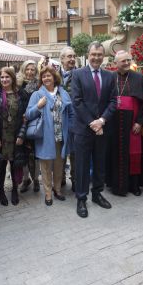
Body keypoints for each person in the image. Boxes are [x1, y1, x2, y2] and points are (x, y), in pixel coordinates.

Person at [70, 41, 117, 218]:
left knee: (100, 164)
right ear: (88, 56)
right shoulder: (77, 75)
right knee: (82, 165)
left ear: (103, 56)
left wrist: (102, 120)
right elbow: (77, 101)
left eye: (99, 54)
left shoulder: (110, 76)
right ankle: (81, 199)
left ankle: (97, 194)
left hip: (103, 129)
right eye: (93, 54)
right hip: (84, 129)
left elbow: (114, 101)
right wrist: (93, 122)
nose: (96, 57)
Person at [25, 65, 73, 205]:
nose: (46, 78)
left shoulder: (63, 93)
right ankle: (47, 193)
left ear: (54, 77)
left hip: (61, 136)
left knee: (59, 165)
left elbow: (70, 113)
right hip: (45, 136)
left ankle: (57, 190)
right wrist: (38, 106)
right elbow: (28, 114)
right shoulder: (37, 94)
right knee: (45, 167)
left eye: (49, 75)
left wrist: (70, 129)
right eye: (43, 76)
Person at [105, 51, 143, 197]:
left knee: (133, 154)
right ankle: (115, 184)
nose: (127, 63)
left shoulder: (139, 78)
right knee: (114, 154)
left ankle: (134, 186)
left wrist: (140, 122)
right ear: (116, 63)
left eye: (129, 60)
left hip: (132, 122)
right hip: (114, 124)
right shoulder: (110, 77)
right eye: (123, 61)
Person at [0, 67, 27, 206]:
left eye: (7, 77)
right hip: (1, 137)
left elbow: (25, 118)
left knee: (16, 165)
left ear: (12, 78)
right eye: (2, 77)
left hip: (15, 137)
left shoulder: (21, 94)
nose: (4, 79)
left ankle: (15, 189)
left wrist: (22, 134)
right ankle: (2, 191)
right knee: (1, 166)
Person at [18, 60, 41, 193]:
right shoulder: (18, 85)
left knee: (36, 153)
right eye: (27, 69)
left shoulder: (39, 85)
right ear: (23, 70)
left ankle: (36, 179)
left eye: (32, 70)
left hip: (35, 123)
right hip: (21, 123)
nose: (30, 72)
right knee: (23, 153)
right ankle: (26, 179)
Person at [59, 46, 77, 189]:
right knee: (60, 151)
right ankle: (60, 178)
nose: (72, 59)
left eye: (73, 56)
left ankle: (75, 178)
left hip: (76, 120)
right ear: (62, 59)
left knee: (75, 152)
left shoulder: (80, 74)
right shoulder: (54, 75)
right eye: (69, 56)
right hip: (58, 121)